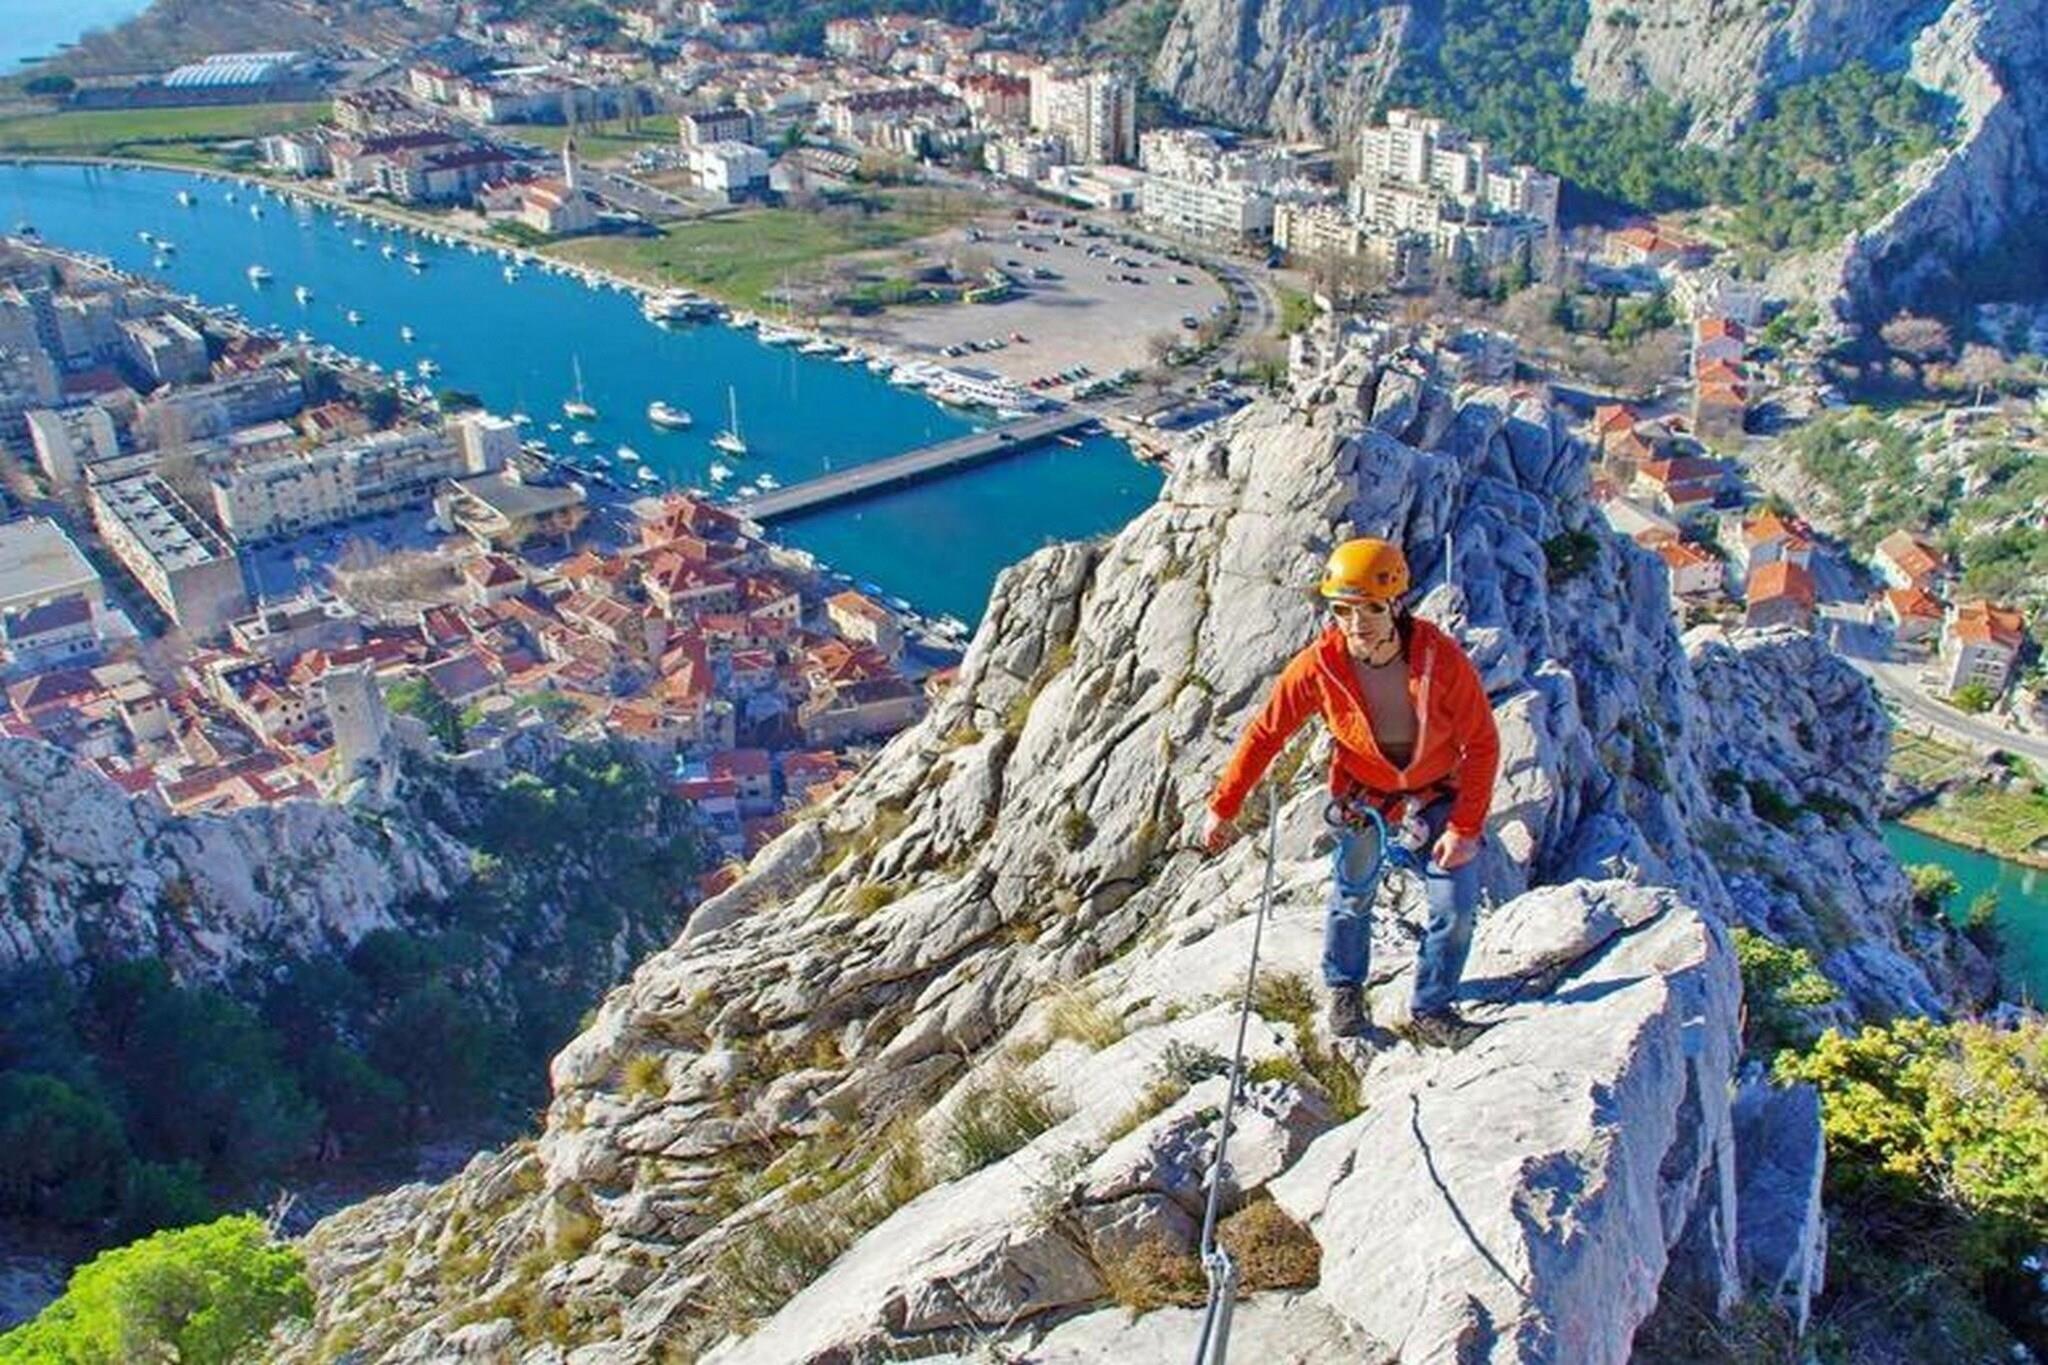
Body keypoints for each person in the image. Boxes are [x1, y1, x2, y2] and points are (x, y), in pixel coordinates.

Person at [1201, 537, 1500, 1044]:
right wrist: (1223, 805)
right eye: (1342, 610)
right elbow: (1267, 733)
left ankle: (1432, 1008)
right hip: (1366, 798)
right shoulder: (1320, 665)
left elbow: (1483, 743)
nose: (1356, 623)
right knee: (1352, 896)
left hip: (1435, 794)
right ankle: (1345, 989)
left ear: (1396, 604)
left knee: (1455, 906)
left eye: (1370, 609)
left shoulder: (1440, 659)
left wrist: (1464, 827)